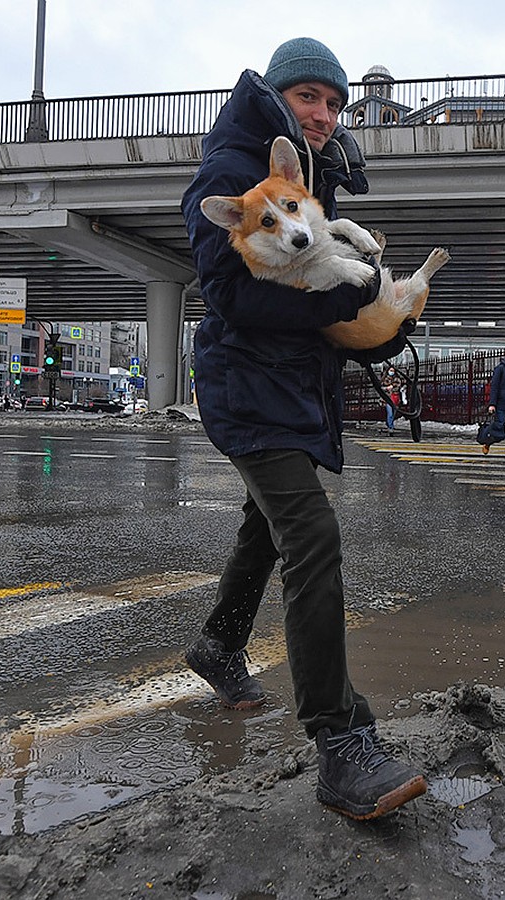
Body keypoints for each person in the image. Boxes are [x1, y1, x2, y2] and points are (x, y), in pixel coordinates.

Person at [180, 37, 426, 820]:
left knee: (268, 524)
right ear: (278, 96)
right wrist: (338, 304)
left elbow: (326, 297)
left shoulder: (314, 176)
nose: (324, 115)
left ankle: (219, 645)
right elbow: (235, 298)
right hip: (245, 389)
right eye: (310, 97)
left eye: (335, 103)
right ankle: (339, 740)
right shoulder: (232, 174)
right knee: (311, 534)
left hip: (291, 388)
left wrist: (384, 327)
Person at [380, 364, 402, 435]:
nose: (391, 372)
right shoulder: (385, 379)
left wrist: (392, 386)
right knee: (390, 413)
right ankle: (390, 427)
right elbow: (381, 387)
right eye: (390, 370)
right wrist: (386, 388)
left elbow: (399, 385)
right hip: (388, 398)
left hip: (395, 398)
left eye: (393, 371)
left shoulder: (397, 379)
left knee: (394, 413)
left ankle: (389, 423)